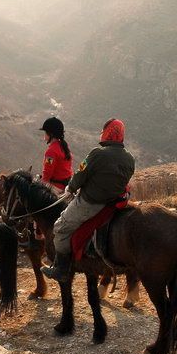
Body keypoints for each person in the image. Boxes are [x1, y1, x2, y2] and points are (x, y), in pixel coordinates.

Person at [42, 118, 135, 282]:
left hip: (90, 203)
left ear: (107, 133)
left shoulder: (97, 154)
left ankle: (61, 268)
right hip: (112, 204)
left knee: (60, 228)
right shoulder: (129, 158)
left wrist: (70, 188)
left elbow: (80, 175)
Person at [40, 117, 73, 192]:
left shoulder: (51, 152)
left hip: (56, 187)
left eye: (45, 132)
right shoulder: (63, 146)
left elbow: (47, 173)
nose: (44, 134)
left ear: (50, 134)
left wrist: (40, 184)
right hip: (66, 185)